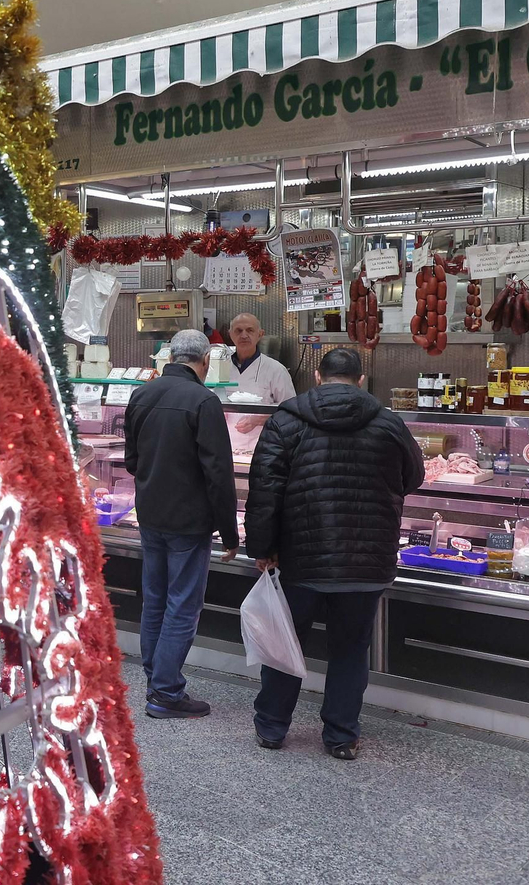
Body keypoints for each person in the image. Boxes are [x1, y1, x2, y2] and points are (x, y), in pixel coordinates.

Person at [243, 348, 424, 759]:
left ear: (318, 377)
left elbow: (264, 490)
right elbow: (414, 477)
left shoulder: (286, 419)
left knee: (286, 641)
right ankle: (341, 736)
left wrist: (263, 548)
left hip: (300, 557)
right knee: (349, 649)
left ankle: (272, 727)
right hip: (367, 560)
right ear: (361, 380)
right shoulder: (388, 422)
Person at [124, 328, 239, 719]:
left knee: (154, 600)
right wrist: (230, 532)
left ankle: (156, 680)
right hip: (189, 523)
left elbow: (131, 460)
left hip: (150, 516)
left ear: (170, 356)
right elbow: (219, 474)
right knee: (182, 607)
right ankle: (166, 693)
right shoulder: (203, 401)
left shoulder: (141, 394)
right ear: (205, 361)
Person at [227, 313, 296, 433]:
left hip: (263, 440)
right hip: (226, 439)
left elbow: (290, 411)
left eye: (250, 330)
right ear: (230, 334)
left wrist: (258, 420)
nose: (244, 335)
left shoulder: (276, 369)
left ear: (260, 334)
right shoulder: (217, 367)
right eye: (238, 331)